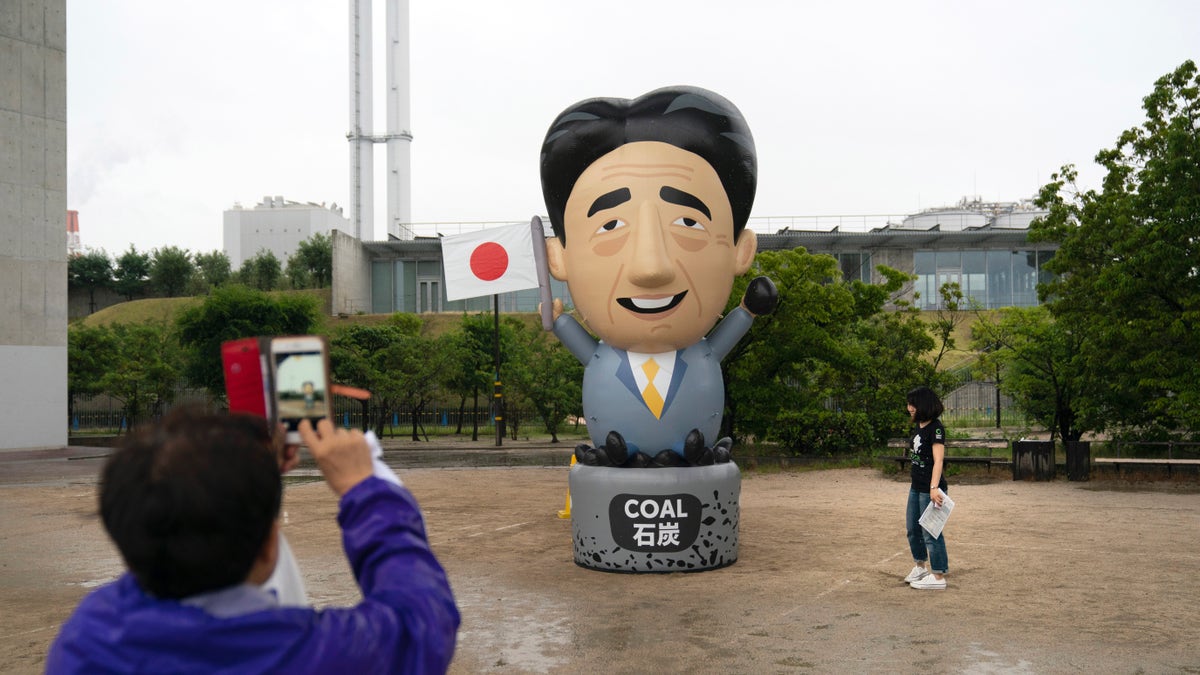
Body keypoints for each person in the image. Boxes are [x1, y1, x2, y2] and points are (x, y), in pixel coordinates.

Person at [46, 408, 460, 673]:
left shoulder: (85, 640)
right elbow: (420, 623)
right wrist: (364, 490)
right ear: (266, 548)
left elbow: (170, 527)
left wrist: (235, 483)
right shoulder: (309, 654)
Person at [540, 85, 777, 468]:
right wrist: (560, 320)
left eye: (688, 222)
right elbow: (577, 342)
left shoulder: (701, 354)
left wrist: (748, 309)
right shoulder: (603, 358)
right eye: (611, 224)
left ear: (741, 250)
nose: (650, 268)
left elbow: (735, 328)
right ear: (558, 257)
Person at [903, 386, 949, 590]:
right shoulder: (919, 426)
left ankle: (938, 576)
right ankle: (920, 566)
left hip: (930, 488)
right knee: (913, 529)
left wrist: (934, 488)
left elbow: (938, 461)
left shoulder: (936, 428)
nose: (909, 408)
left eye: (913, 404)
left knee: (931, 531)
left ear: (923, 405)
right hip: (916, 487)